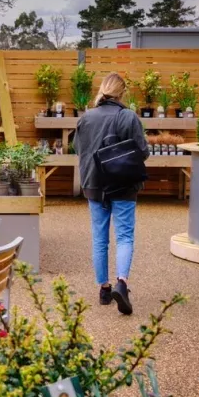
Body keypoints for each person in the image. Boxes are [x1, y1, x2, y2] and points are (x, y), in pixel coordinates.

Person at [74, 72, 149, 315]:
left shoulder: (87, 118)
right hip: (124, 184)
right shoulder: (128, 117)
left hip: (94, 184)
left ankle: (104, 290)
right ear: (122, 92)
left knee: (99, 238)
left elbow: (78, 148)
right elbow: (143, 152)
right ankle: (122, 283)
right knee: (125, 236)